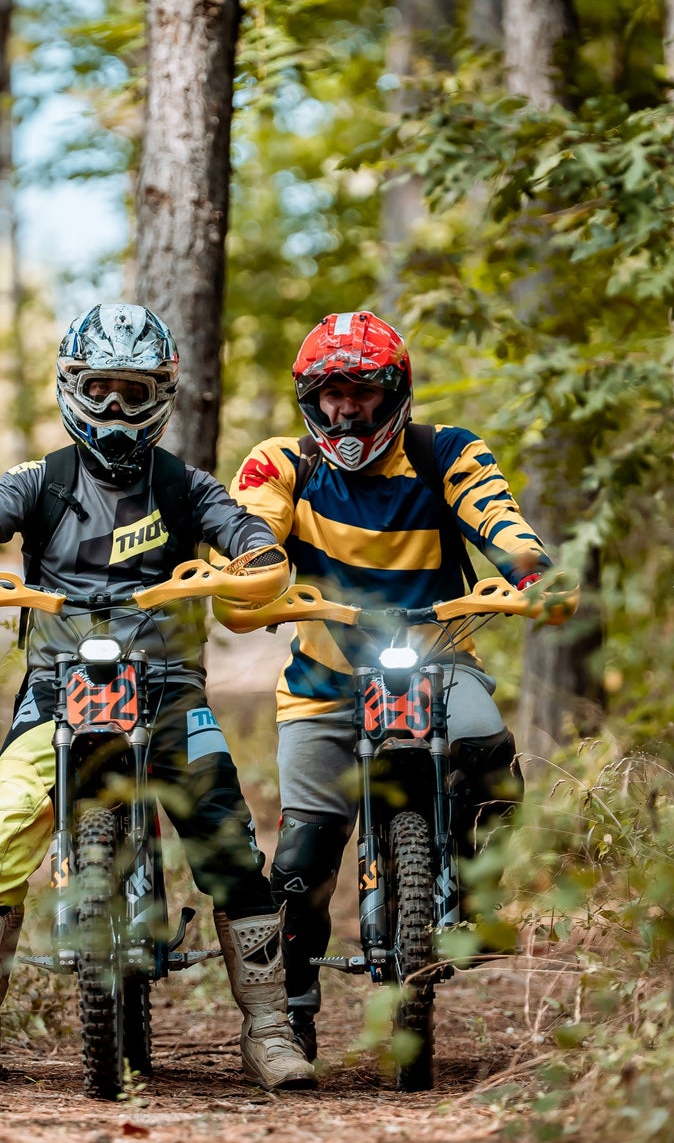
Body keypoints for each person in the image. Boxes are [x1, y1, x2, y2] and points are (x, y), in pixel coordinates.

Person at [0, 302, 314, 1091]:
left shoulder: (184, 484)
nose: (116, 409)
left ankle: (269, 1029)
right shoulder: (43, 479)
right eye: (100, 389)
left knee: (225, 833)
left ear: (160, 392)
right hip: (58, 689)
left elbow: (238, 528)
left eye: (134, 392)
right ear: (71, 387)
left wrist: (257, 552)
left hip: (166, 688)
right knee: (2, 827)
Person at [230, 310, 552, 1070]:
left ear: (393, 392)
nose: (345, 409)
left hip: (438, 662)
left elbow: (494, 511)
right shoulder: (283, 463)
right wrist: (249, 571)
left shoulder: (443, 450)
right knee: (305, 846)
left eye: (362, 392)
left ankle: (476, 896)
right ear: (310, 398)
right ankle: (290, 1010)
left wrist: (527, 564)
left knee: (490, 757)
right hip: (323, 683)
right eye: (330, 392)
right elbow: (252, 525)